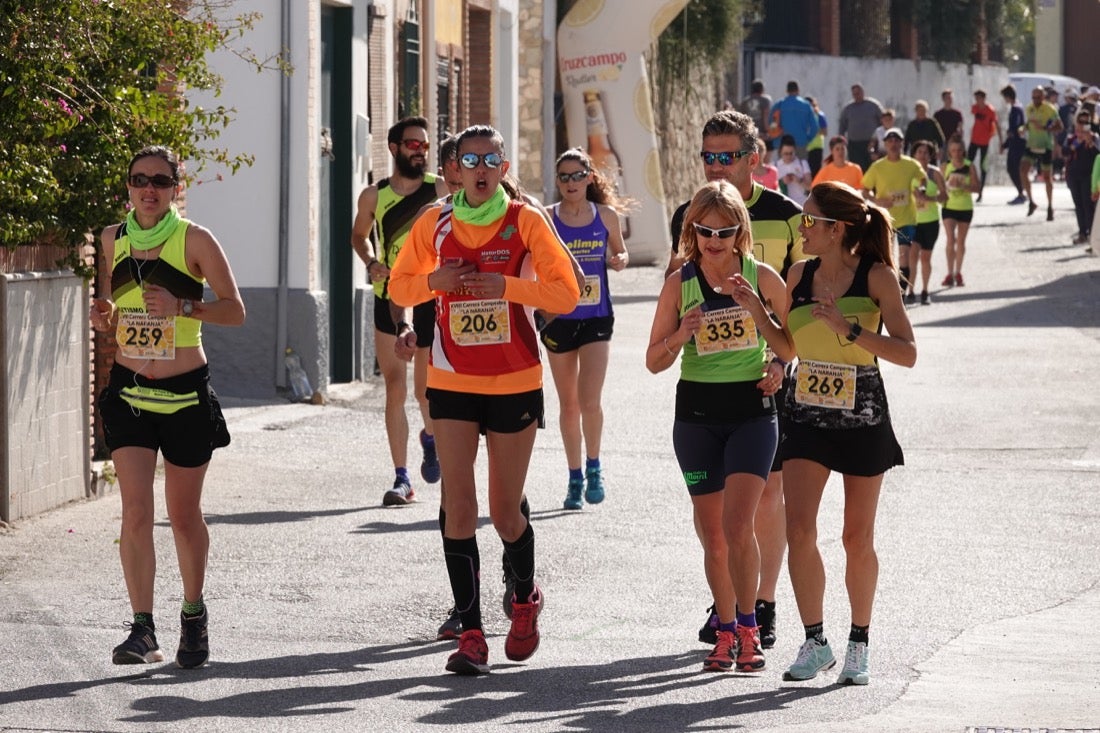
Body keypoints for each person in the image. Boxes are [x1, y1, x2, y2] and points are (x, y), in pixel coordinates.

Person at [389, 125, 580, 675]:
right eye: (468, 160)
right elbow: (399, 287)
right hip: (451, 380)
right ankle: (471, 633)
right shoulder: (435, 222)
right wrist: (435, 279)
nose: (478, 169)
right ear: (454, 168)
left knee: (504, 511)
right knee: (460, 508)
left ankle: (524, 598)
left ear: (501, 166)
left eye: (489, 160)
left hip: (514, 380)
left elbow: (566, 294)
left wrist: (508, 288)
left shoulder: (525, 221)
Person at [90, 145, 246, 669]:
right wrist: (105, 315)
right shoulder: (113, 240)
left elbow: (236, 311)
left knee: (182, 516)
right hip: (130, 392)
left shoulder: (194, 240)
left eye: (160, 180)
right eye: (140, 180)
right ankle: (141, 627)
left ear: (176, 187)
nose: (149, 189)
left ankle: (194, 613)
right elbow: (114, 310)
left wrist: (185, 306)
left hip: (184, 396)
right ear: (128, 187)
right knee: (135, 512)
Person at [664, 110, 803, 652]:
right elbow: (676, 288)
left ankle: (761, 606)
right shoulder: (689, 215)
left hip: (769, 376)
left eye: (728, 156)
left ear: (755, 159)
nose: (717, 165)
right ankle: (729, 603)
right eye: (709, 156)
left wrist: (782, 362)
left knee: (767, 494)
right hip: (707, 384)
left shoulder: (788, 216)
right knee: (719, 511)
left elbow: (802, 299)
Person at [779, 181, 917, 686]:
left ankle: (859, 641)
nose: (803, 228)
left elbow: (907, 352)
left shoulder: (877, 277)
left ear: (837, 229)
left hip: (862, 414)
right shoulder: (798, 274)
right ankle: (815, 641)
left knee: (856, 537)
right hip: (806, 413)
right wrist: (765, 336)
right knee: (799, 531)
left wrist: (851, 330)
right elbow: (791, 344)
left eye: (811, 221)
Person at [351, 116, 449, 506]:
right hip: (388, 294)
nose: (420, 151)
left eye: (425, 145)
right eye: (413, 144)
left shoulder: (440, 189)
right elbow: (358, 236)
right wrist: (371, 261)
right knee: (394, 386)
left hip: (429, 297)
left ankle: (430, 437)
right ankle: (401, 478)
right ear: (394, 148)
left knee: (424, 392)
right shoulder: (373, 196)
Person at [543, 147, 629, 510]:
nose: (571, 183)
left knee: (590, 400)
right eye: (564, 177)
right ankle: (574, 476)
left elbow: (620, 254)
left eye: (578, 175)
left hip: (596, 317)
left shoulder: (605, 216)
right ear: (558, 182)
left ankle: (594, 466)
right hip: (559, 318)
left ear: (589, 178)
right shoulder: (547, 218)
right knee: (569, 405)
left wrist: (618, 259)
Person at [861, 127, 927, 293]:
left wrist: (922, 190)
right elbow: (864, 190)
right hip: (885, 218)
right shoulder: (877, 167)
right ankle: (887, 290)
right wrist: (877, 200)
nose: (893, 144)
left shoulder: (911, 164)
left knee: (904, 255)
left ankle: (901, 293)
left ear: (902, 143)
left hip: (907, 218)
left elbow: (923, 178)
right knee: (885, 257)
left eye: (897, 140)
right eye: (890, 141)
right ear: (884, 144)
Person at [908, 140, 948, 304]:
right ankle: (910, 291)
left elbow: (945, 197)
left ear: (931, 155)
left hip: (930, 221)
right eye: (919, 152)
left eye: (926, 152)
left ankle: (925, 290)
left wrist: (928, 198)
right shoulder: (909, 172)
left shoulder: (935, 173)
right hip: (912, 220)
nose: (922, 155)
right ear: (914, 154)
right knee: (911, 256)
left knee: (925, 258)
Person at [940, 138, 980, 288]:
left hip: (965, 207)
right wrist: (948, 185)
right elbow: (939, 187)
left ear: (963, 151)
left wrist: (963, 186)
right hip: (949, 206)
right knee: (951, 239)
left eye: (959, 150)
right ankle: (949, 273)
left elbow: (977, 188)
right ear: (949, 152)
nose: (956, 153)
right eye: (953, 150)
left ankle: (958, 272)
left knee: (961, 241)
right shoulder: (945, 166)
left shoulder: (970, 166)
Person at [1021, 85, 1064, 221]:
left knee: (1047, 178)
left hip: (1045, 146)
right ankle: (1031, 201)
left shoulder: (1050, 109)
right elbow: (1028, 124)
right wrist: (1022, 128)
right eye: (1033, 97)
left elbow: (1060, 127)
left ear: (1043, 97)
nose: (1035, 100)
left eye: (1038, 97)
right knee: (1022, 171)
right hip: (1031, 145)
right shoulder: (1029, 108)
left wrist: (1045, 128)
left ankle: (1050, 206)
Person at [1062, 110, 1099, 245]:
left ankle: (1091, 233)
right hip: (1073, 174)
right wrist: (1077, 143)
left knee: (1088, 204)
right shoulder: (1072, 137)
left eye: (1086, 122)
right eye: (1081, 122)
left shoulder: (1094, 137)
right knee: (1078, 205)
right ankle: (1082, 232)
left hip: (1088, 175)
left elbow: (1097, 156)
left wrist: (1091, 143)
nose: (1083, 125)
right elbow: (1064, 152)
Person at [839, 83, 884, 172]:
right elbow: (842, 125)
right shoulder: (848, 108)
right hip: (854, 145)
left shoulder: (873, 105)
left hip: (871, 143)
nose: (857, 95)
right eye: (854, 94)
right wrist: (841, 140)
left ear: (863, 92)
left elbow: (883, 120)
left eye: (858, 93)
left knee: (872, 167)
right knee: (856, 168)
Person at [769, 81, 818, 159]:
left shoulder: (779, 104)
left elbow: (771, 124)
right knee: (801, 169)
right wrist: (807, 139)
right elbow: (815, 127)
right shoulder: (806, 105)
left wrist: (776, 140)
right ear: (798, 90)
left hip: (783, 144)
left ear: (787, 91)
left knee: (783, 169)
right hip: (800, 143)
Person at [967, 90, 1001, 203]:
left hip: (984, 142)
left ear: (983, 98)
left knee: (983, 166)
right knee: (967, 163)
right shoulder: (975, 108)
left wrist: (1001, 140)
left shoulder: (990, 110)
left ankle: (980, 192)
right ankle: (967, 187)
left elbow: (996, 124)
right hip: (974, 139)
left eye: (978, 98)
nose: (977, 101)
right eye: (976, 98)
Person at [1000, 84, 1029, 205]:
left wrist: (1006, 142)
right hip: (1015, 143)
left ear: (1008, 96)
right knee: (1013, 169)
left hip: (1017, 144)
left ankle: (1021, 193)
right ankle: (1021, 193)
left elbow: (1015, 128)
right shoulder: (1017, 107)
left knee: (1013, 169)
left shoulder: (1016, 108)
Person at [775, 135, 813, 206]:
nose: (789, 156)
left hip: (802, 204)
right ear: (780, 152)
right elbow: (771, 189)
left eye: (791, 153)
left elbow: (810, 186)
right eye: (786, 154)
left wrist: (799, 180)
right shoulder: (775, 166)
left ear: (795, 151)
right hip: (783, 205)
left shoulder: (803, 163)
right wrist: (782, 182)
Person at [738, 79, 773, 153]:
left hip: (749, 134)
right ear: (762, 89)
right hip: (763, 135)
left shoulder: (744, 101)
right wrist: (768, 132)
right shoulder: (766, 100)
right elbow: (765, 116)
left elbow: (741, 119)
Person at [804, 96, 828, 177]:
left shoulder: (820, 115)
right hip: (805, 148)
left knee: (815, 172)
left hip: (816, 148)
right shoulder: (803, 116)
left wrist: (812, 132)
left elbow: (825, 132)